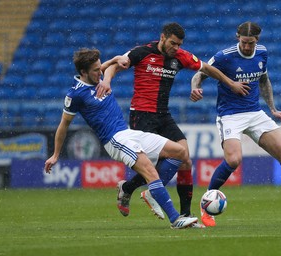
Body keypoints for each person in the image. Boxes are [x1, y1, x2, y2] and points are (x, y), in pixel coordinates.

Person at [99, 22, 250, 219]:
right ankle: (141, 190)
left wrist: (230, 84)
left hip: (163, 114)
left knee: (185, 158)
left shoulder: (180, 56)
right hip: (142, 115)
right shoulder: (142, 52)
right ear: (163, 37)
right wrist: (107, 81)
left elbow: (207, 68)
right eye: (172, 43)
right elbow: (113, 66)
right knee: (153, 164)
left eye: (179, 44)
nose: (175, 48)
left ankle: (184, 213)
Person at [190, 21, 281, 227]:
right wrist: (195, 88)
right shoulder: (225, 56)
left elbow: (264, 80)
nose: (247, 47)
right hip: (230, 115)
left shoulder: (262, 53)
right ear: (238, 37)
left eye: (251, 43)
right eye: (244, 42)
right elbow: (199, 74)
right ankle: (206, 207)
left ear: (258, 40)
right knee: (234, 160)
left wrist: (273, 108)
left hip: (255, 113)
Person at [44, 47, 200, 229]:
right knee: (150, 171)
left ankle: (150, 192)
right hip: (115, 140)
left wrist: (115, 59)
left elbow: (108, 66)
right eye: (96, 70)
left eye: (99, 67)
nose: (100, 71)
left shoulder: (97, 77)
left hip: (128, 133)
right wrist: (55, 155)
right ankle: (175, 219)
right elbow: (63, 126)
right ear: (83, 72)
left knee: (180, 153)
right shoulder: (75, 95)